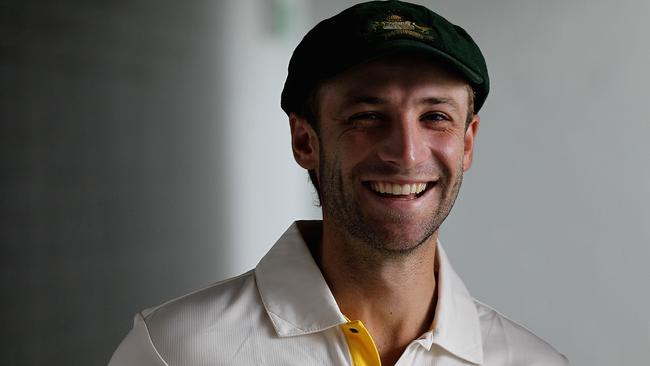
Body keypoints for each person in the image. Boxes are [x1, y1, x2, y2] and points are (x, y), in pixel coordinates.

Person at [109, 1, 568, 365]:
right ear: (305, 140)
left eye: (435, 117)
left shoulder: (533, 362)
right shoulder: (175, 352)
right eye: (367, 116)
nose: (406, 152)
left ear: (467, 143)